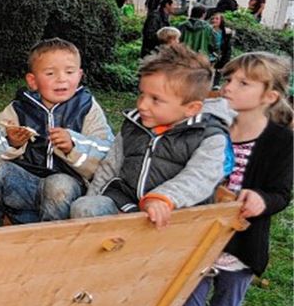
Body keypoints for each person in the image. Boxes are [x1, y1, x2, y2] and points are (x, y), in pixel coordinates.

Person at [168, 53, 293, 306]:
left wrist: (261, 200)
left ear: (269, 97)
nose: (228, 88)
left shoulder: (280, 141)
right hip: (201, 239)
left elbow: (281, 193)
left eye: (242, 83)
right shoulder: (212, 126)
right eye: (228, 80)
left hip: (239, 247)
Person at [71, 44, 231, 228]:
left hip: (173, 219)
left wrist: (164, 197)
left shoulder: (209, 137)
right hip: (125, 205)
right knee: (85, 207)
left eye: (155, 99)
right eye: (142, 94)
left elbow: (200, 176)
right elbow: (110, 167)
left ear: (191, 108)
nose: (142, 105)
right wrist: (93, 196)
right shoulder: (134, 125)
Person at [0, 38, 113, 229]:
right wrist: (11, 142)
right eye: (50, 73)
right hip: (25, 186)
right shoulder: (19, 108)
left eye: (69, 72)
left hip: (68, 188)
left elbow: (107, 150)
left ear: (79, 76)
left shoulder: (87, 108)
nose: (61, 78)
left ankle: (51, 246)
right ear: (33, 81)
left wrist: (74, 145)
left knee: (58, 185)